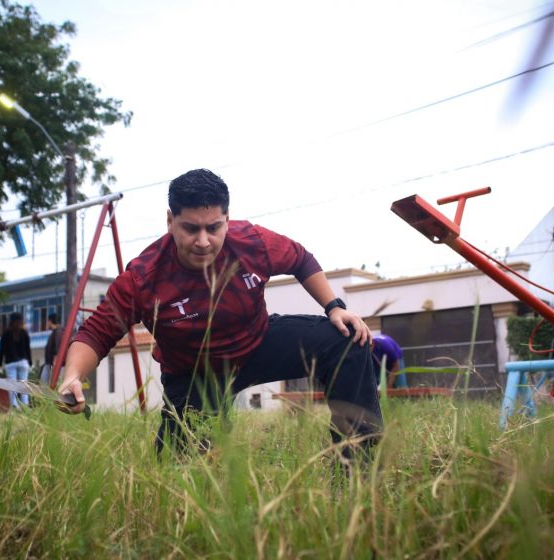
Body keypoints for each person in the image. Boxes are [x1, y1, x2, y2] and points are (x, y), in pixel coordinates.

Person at [59, 168, 382, 463]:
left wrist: (333, 306)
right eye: (190, 229)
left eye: (213, 228)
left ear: (227, 220)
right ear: (170, 220)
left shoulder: (252, 242)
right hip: (193, 375)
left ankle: (356, 463)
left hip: (256, 344)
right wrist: (73, 375)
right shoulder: (144, 278)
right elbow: (96, 333)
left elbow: (301, 259)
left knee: (347, 340)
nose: (203, 242)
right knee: (180, 470)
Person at [0, 312, 32, 409]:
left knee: (12, 386)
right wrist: (30, 362)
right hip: (23, 362)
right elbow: (28, 348)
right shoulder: (24, 333)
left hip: (10, 363)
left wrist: (0, 362)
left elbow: (1, 349)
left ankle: (14, 405)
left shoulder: (5, 334)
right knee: (23, 385)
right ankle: (25, 405)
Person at [40, 313, 62, 385]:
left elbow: (57, 346)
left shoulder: (57, 332)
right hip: (51, 363)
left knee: (44, 384)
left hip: (52, 364)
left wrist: (55, 360)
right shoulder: (58, 331)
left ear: (50, 321)